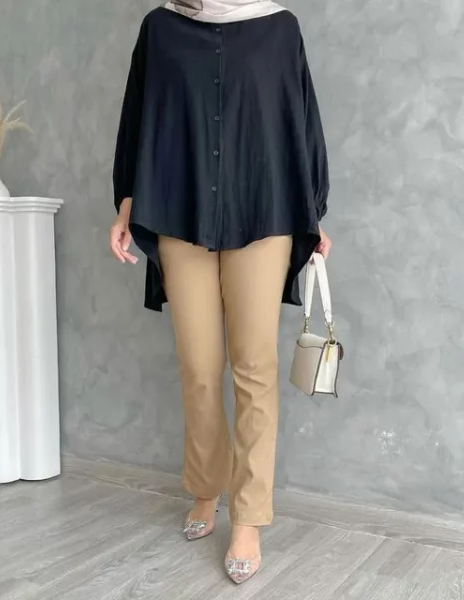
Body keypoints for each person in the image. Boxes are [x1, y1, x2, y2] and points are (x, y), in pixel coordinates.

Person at [110, 0, 332, 584]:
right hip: (179, 209)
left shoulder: (280, 28)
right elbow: (139, 118)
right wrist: (127, 204)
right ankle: (206, 486)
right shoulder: (160, 28)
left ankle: (249, 517)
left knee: (254, 365)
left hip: (264, 209)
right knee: (199, 367)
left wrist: (312, 213)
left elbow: (300, 121)